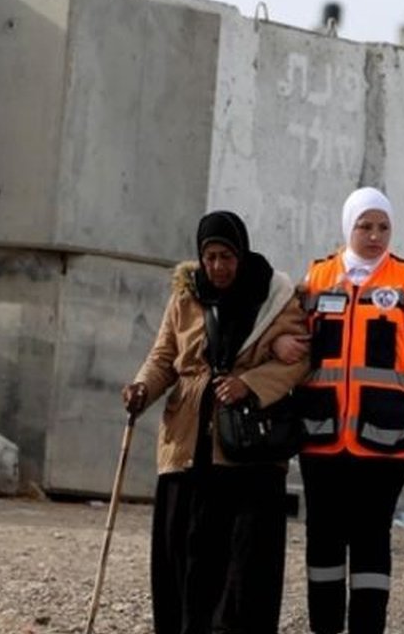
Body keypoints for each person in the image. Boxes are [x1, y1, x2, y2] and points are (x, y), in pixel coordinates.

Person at [122, 211, 310, 634]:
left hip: (249, 456)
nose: (218, 267)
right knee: (183, 560)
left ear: (241, 254)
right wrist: (141, 389)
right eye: (210, 257)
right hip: (188, 451)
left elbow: (300, 361)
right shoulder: (186, 298)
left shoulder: (275, 298)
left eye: (227, 256)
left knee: (243, 572)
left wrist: (249, 383)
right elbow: (164, 358)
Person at [273, 186, 404, 634]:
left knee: (371, 539)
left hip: (384, 438)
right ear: (348, 227)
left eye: (383, 227)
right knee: (323, 538)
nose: (374, 235)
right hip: (322, 435)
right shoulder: (316, 278)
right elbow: (288, 332)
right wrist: (278, 342)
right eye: (365, 226)